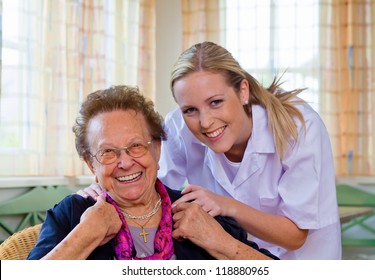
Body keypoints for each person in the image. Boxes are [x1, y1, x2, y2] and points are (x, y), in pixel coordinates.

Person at [79, 42, 341, 260]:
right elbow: (151, 189)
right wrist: (103, 190)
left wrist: (225, 205)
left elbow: (295, 236)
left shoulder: (298, 127)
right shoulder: (178, 128)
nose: (204, 122)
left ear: (242, 90)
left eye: (216, 102)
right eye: (190, 110)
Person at [27, 85, 277, 260]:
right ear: (91, 164)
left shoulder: (195, 210)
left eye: (136, 146)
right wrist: (86, 235)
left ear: (157, 149)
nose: (125, 163)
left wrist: (219, 241)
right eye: (108, 152)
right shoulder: (72, 215)